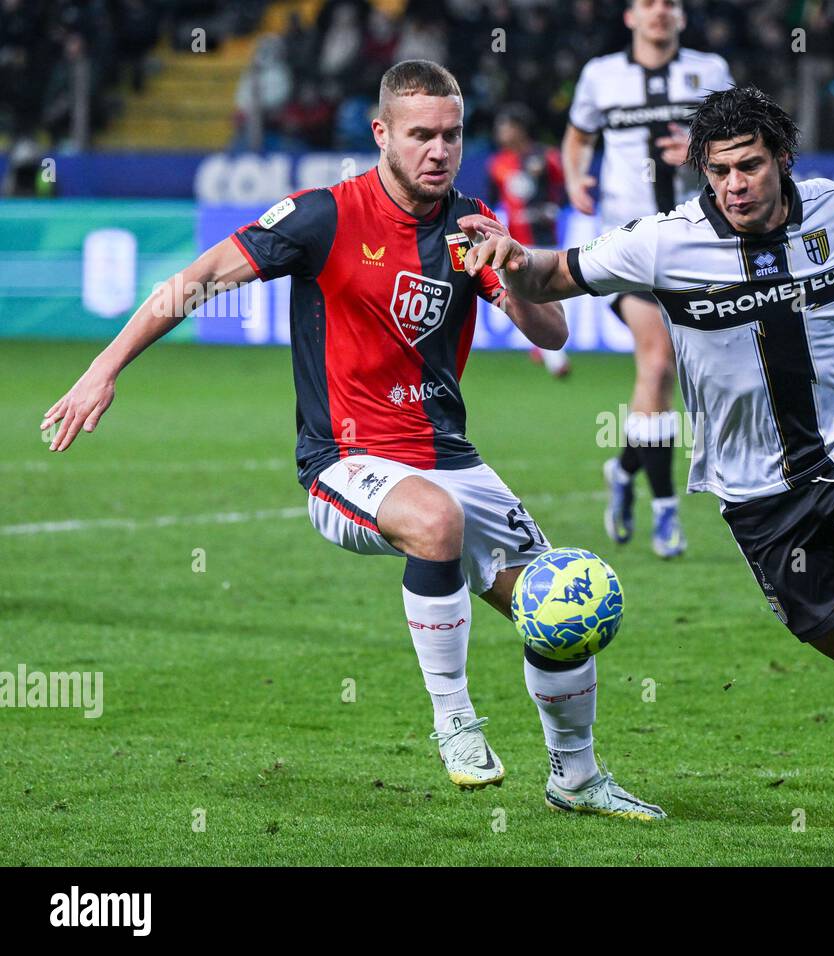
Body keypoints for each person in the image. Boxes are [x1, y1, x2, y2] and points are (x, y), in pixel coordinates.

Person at [40, 59, 664, 822]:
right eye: (421, 135)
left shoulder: (471, 224)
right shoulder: (324, 216)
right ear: (381, 134)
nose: (439, 150)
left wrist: (510, 265)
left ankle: (577, 778)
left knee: (562, 605)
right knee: (434, 522)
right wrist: (103, 370)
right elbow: (196, 278)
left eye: (452, 135)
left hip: (449, 455)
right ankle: (455, 722)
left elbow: (552, 330)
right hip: (346, 459)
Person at [458, 86, 834, 835]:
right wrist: (511, 260)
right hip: (758, 495)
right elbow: (551, 276)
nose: (734, 185)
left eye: (749, 166)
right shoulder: (664, 242)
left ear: (782, 160)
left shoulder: (829, 207)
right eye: (718, 172)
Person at [564, 0, 733, 558]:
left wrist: (695, 151)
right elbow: (578, 136)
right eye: (648, 4)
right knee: (655, 362)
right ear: (630, 17)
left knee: (681, 382)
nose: (660, 12)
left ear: (682, 17)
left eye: (670, 4)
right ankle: (665, 513)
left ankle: (624, 467)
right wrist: (573, 178)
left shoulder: (710, 72)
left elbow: (735, 144)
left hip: (698, 242)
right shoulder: (600, 76)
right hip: (629, 242)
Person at [487, 103, 571, 378]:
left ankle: (553, 356)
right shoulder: (497, 164)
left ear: (519, 129)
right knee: (526, 295)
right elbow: (495, 200)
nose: (501, 132)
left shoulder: (546, 157)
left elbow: (562, 189)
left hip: (544, 239)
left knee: (545, 294)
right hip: (516, 241)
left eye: (505, 126)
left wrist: (550, 208)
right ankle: (547, 350)